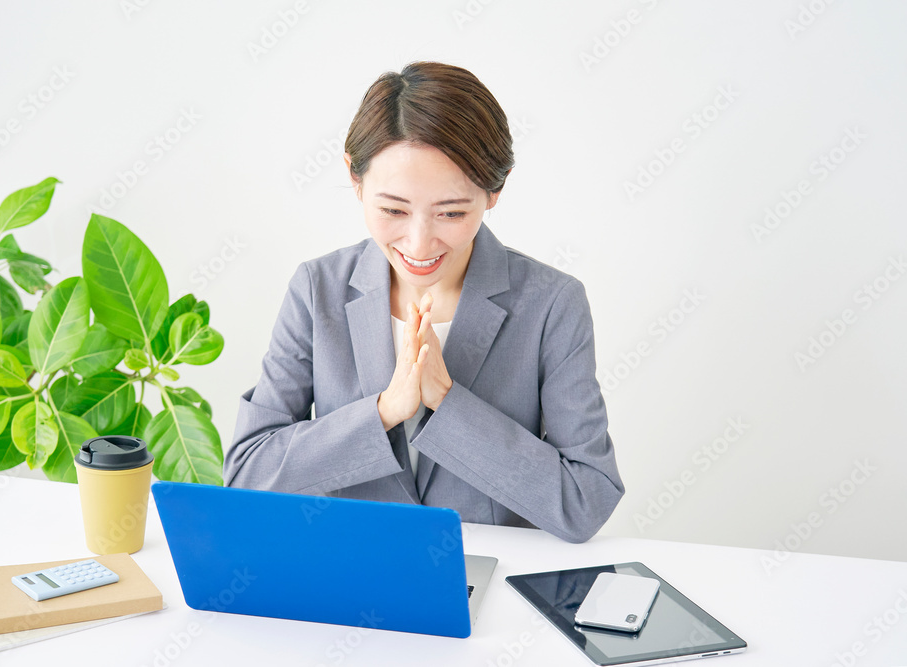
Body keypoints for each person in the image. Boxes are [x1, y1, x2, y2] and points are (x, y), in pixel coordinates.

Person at [224, 61, 624, 543]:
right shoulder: (317, 288)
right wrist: (384, 411)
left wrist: (448, 403)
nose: (418, 243)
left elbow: (586, 501)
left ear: (494, 190)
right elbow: (248, 474)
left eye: (451, 213)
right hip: (347, 570)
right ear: (354, 176)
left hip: (489, 578)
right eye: (393, 209)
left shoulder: (552, 303)